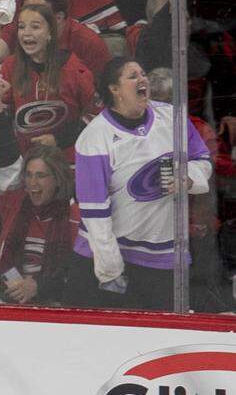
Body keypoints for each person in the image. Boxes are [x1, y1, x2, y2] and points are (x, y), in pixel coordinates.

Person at [70, 58, 213, 310]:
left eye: (143, 73)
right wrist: (110, 270)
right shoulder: (94, 137)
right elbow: (94, 212)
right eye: (133, 76)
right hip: (107, 257)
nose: (143, 79)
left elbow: (202, 160)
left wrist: (188, 178)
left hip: (162, 256)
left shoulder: (171, 117)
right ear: (114, 89)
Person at [0, 79, 79, 305]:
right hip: (11, 293)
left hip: (54, 301)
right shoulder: (16, 203)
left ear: (57, 180)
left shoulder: (74, 216)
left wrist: (37, 288)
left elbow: (75, 272)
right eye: (28, 175)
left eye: (40, 176)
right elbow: (6, 154)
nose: (32, 183)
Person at [0, 1, 98, 160]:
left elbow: (95, 115)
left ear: (50, 32)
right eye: (22, 27)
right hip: (27, 161)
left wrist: (59, 140)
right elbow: (5, 114)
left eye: (35, 27)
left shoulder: (75, 69)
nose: (26, 33)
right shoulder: (10, 67)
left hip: (67, 159)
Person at [0, 0, 110, 76]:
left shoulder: (88, 42)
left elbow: (101, 93)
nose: (29, 15)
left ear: (58, 18)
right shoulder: (20, 25)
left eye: (38, 11)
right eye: (26, 8)